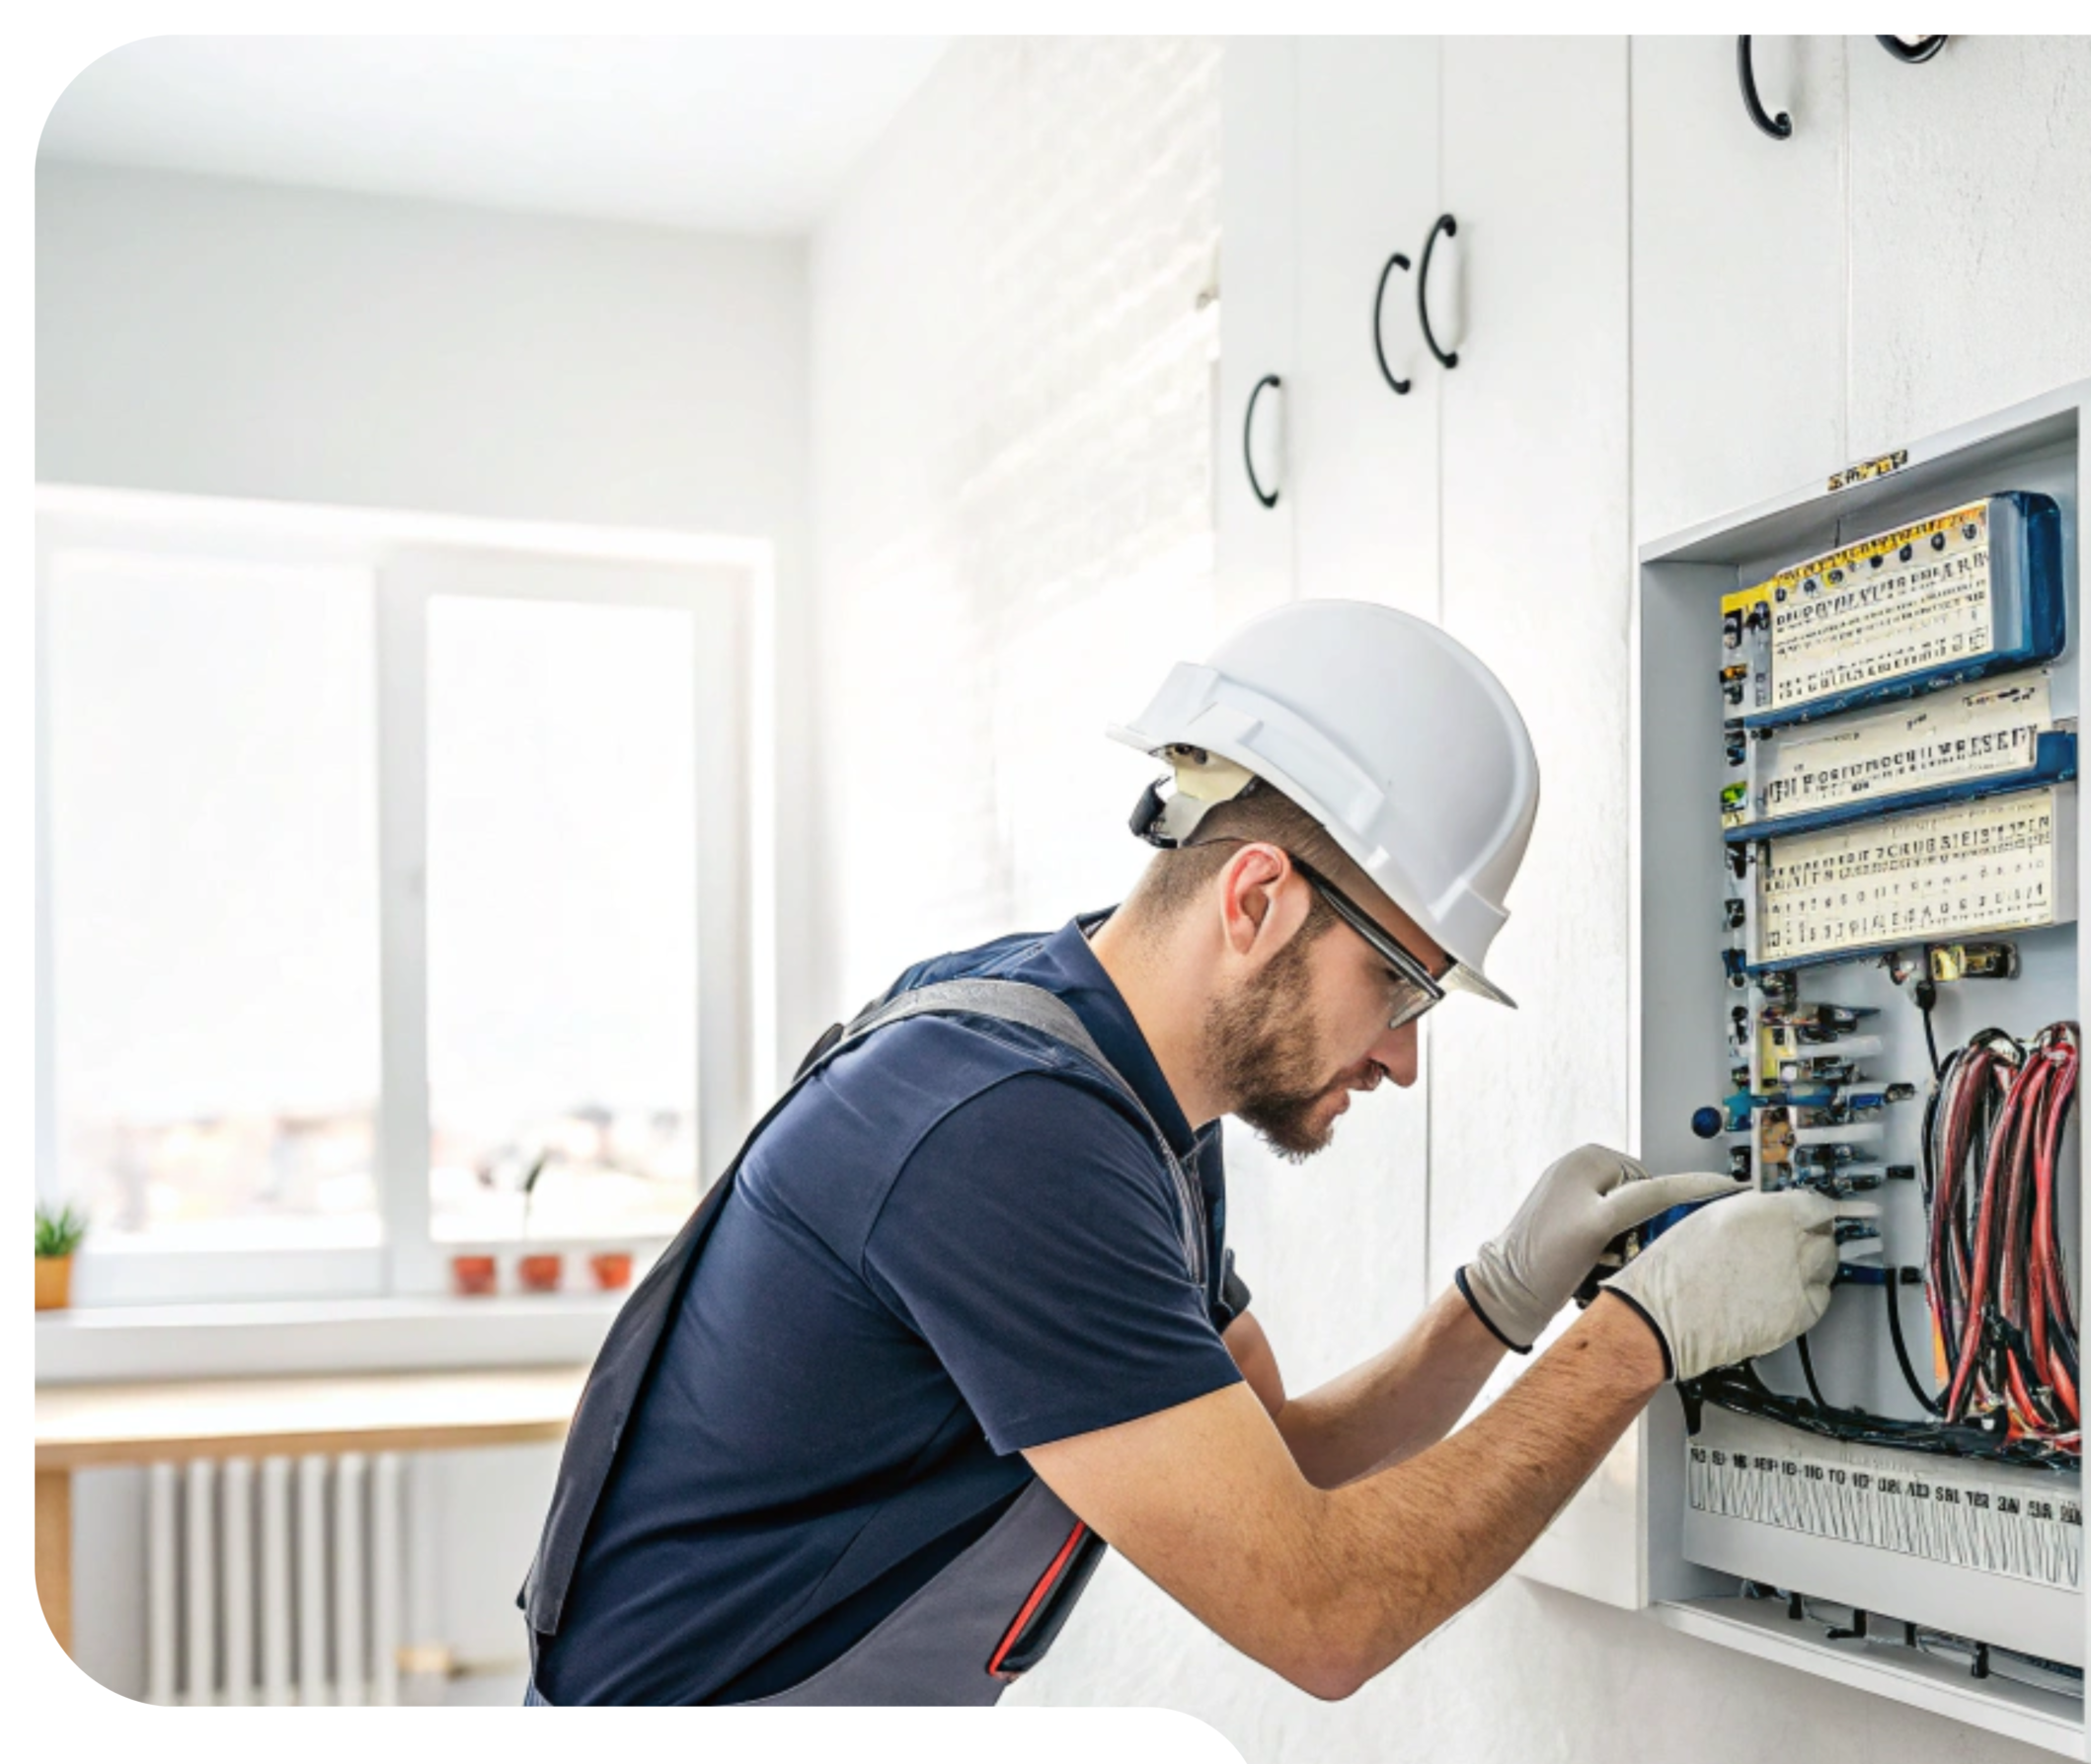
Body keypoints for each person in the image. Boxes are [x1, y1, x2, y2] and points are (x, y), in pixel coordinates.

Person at [520, 600, 1836, 1705]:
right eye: (1400, 991)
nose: (1400, 1058)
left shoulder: (1117, 1089)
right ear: (1257, 898)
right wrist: (1634, 1342)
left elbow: (1282, 1464)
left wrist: (1497, 1304)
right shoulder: (1005, 1137)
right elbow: (1324, 1615)